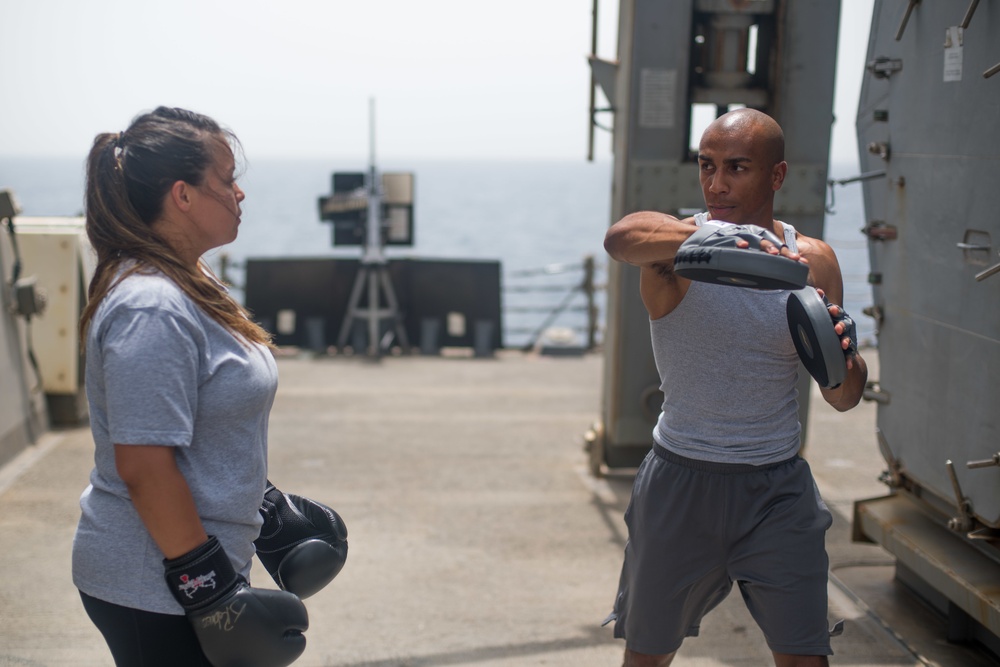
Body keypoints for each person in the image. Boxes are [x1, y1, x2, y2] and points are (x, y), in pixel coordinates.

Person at [71, 107, 339, 667]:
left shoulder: (190, 279)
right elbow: (144, 467)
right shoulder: (152, 305)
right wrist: (212, 593)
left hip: (189, 568)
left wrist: (267, 511)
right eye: (225, 179)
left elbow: (205, 420)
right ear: (183, 195)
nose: (239, 193)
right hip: (154, 587)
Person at [602, 108, 868, 667]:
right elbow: (621, 237)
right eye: (707, 166)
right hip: (681, 482)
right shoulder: (675, 250)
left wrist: (848, 360)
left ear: (776, 175)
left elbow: (843, 397)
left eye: (737, 168)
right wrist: (726, 238)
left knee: (806, 657)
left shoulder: (812, 261)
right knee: (646, 656)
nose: (716, 183)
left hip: (776, 489)